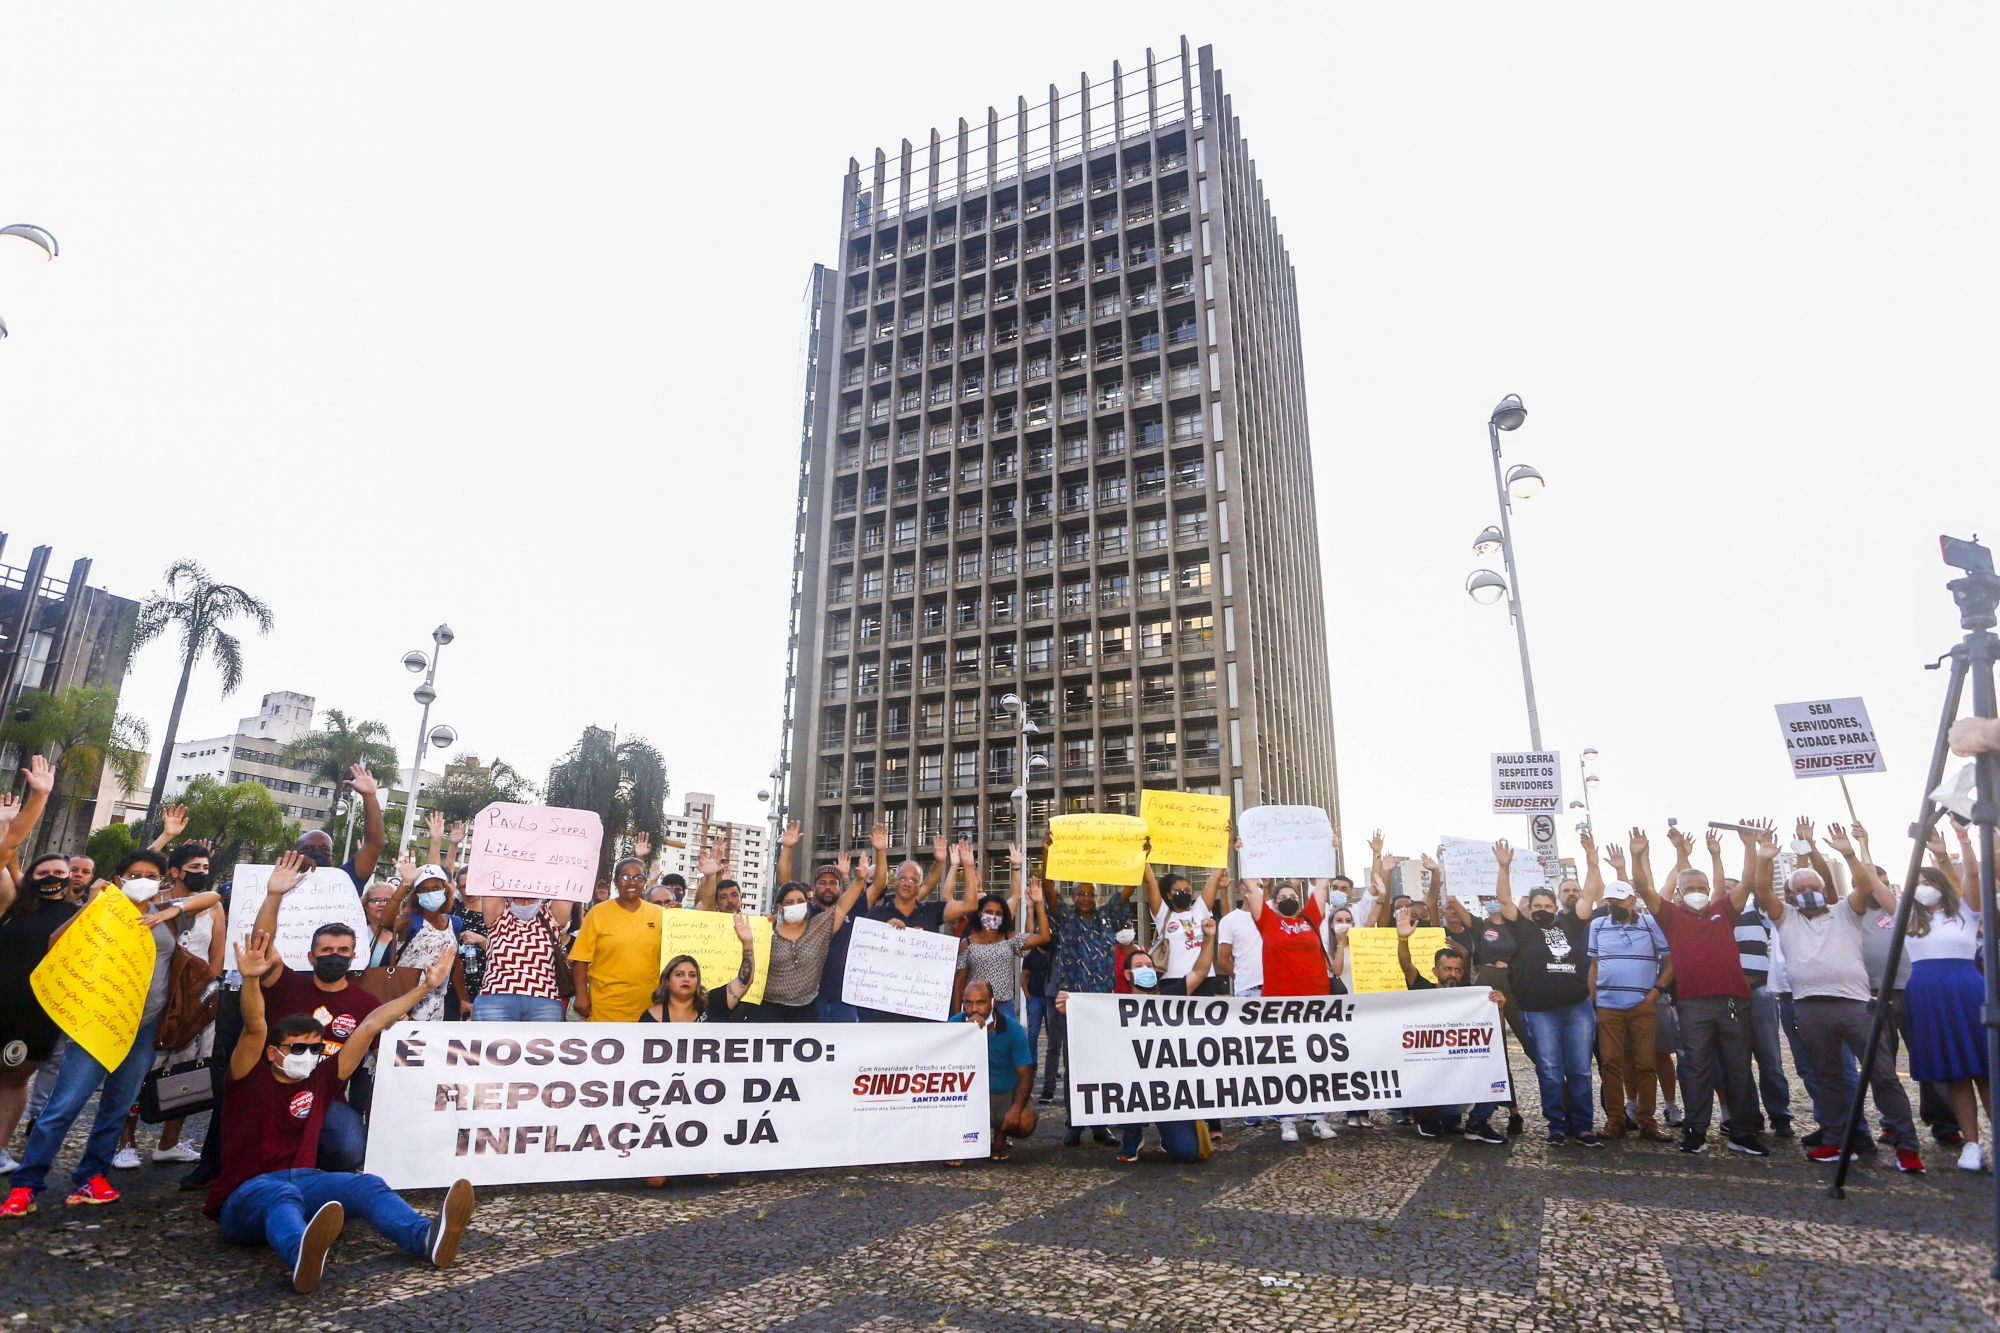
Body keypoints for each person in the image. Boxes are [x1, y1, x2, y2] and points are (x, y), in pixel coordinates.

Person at [209, 926, 471, 1293]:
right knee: (281, 1196)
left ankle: (426, 1238)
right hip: (245, 1195)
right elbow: (255, 1026)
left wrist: (426, 987)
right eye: (296, 1049)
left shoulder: (322, 1078)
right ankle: (302, 1252)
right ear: (274, 1051)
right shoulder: (248, 1078)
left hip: (305, 1180)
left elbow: (371, 1024)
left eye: (315, 1049)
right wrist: (251, 981)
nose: (307, 1057)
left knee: (367, 1185)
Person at [3, 846, 220, 1214]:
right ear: (119, 880)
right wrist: (91, 904)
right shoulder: (103, 910)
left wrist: (171, 908)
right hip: (98, 1026)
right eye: (135, 876)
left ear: (163, 881)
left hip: (146, 1029)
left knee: (117, 1107)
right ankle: (26, 1184)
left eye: (153, 877)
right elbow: (57, 943)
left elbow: (213, 897)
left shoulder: (167, 915)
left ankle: (92, 1176)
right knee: (63, 1106)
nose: (144, 882)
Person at [1756, 823, 1922, 1172]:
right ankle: (1836, 1139)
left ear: (1824, 889)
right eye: (1800, 888)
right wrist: (1764, 859)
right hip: (1810, 1007)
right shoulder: (1786, 917)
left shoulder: (1845, 911)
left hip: (1854, 1005)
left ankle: (1907, 1147)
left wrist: (1849, 853)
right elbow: (1762, 892)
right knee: (1826, 1077)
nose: (1808, 891)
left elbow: (1863, 886)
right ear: (1790, 894)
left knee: (1883, 1075)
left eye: (1813, 886)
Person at [1631, 824, 1771, 1157]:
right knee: (1695, 1068)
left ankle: (1741, 1132)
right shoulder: (1670, 914)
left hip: (1733, 1002)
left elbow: (1748, 881)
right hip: (1693, 1005)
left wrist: (1749, 847)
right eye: (1690, 886)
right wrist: (1639, 855)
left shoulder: (1724, 910)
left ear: (1710, 889)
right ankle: (1695, 1131)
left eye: (1702, 886)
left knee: (1738, 1068)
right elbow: (1642, 886)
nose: (1697, 891)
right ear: (1679, 892)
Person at [116, 840, 227, 1167]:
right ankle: (125, 1142)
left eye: (206, 868)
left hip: (194, 1003)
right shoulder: (151, 901)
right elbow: (128, 875)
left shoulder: (213, 906)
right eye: (194, 868)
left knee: (186, 1073)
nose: (201, 874)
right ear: (175, 872)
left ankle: (169, 1142)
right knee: (139, 1074)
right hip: (151, 1000)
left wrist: (202, 999)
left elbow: (216, 958)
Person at [1496, 835, 1601, 1147]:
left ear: (1556, 907)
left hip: (1577, 1006)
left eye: (1548, 905)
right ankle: (1556, 1124)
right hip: (1540, 1010)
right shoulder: (1524, 929)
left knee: (1581, 1070)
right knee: (1551, 1069)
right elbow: (1503, 901)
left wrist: (1591, 860)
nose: (1542, 909)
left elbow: (1590, 895)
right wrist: (1505, 868)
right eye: (1537, 905)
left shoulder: (1569, 925)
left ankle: (1582, 1126)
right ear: (1530, 908)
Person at [1053, 957, 1208, 1164]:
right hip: (1132, 1089)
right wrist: (1070, 1012)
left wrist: (1208, 938)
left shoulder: (1169, 997)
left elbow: (1199, 973)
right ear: (1127, 974)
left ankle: (1167, 1134)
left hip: (1170, 1093)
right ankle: (1133, 1135)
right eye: (1139, 966)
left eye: (1149, 966)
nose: (1146, 970)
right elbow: (1091, 1037)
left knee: (1185, 1153)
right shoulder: (1114, 1006)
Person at [1903, 855, 1990, 1172]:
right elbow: (1869, 881)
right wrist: (1858, 848)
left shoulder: (1966, 912)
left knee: (1986, 1071)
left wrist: (1955, 845)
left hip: (1966, 989)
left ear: (1942, 886)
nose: (1923, 889)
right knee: (1956, 1074)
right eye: (1919, 884)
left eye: (1928, 883)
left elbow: (1972, 874)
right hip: (1927, 994)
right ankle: (1972, 1144)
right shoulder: (1908, 918)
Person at [1043, 856, 1133, 1147]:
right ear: (1073, 896)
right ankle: (1075, 1123)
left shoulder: (1109, 917)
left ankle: (1100, 1125)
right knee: (1074, 1065)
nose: (1085, 898)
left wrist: (1139, 855)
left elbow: (1129, 888)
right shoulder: (1065, 918)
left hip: (1102, 1004)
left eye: (1090, 893)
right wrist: (1048, 853)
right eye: (1080, 893)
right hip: (1073, 1004)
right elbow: (1047, 888)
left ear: (1098, 896)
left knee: (1102, 1064)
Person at [1394, 918, 1509, 1143]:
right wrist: (1403, 938)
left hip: (1457, 1076)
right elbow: (1406, 964)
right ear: (1435, 970)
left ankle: (1476, 1123)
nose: (1452, 974)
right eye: (1447, 969)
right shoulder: (1422, 988)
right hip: (1428, 1079)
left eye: (1457, 970)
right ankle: (1428, 1118)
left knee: (1495, 1064)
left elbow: (1493, 1037)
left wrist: (1500, 1008)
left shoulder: (1472, 997)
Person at [1242, 875, 1338, 1143]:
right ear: (1273, 903)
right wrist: (1242, 852)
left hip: (1315, 1004)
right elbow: (1251, 885)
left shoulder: (1310, 919)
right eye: (1281, 898)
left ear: (1299, 900)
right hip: (1279, 1005)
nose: (1288, 900)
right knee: (1284, 1063)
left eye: (1292, 897)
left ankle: (1318, 1118)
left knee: (1316, 1061)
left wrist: (1326, 848)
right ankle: (1287, 1120)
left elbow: (1321, 884)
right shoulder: (1268, 921)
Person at [0, 846, 73, 1176]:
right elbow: (5, 853)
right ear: (30, 876)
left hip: (40, 1014)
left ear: (70, 879)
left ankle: (0, 1149)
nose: (52, 878)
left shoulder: (79, 913)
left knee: (15, 1078)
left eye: (59, 872)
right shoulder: (13, 903)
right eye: (44, 872)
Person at [1586, 870, 1674, 1142]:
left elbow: (1671, 961)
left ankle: (1648, 1122)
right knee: (1610, 1063)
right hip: (1608, 1006)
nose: (1614, 905)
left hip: (1642, 1005)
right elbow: (1594, 965)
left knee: (1646, 1064)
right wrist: (1592, 1002)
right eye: (1610, 901)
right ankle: (1616, 1120)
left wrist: (1656, 992)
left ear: (1632, 900)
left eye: (1619, 900)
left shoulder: (1650, 924)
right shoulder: (1597, 926)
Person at [775, 823, 885, 1023]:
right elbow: (784, 883)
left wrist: (881, 851)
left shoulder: (852, 908)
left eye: (833, 882)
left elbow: (878, 885)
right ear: (814, 888)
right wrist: (788, 848)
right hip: (810, 998)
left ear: (839, 886)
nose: (827, 887)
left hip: (845, 997)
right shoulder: (805, 913)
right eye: (822, 882)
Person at [759, 847, 870, 1020]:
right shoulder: (768, 930)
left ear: (806, 903)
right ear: (780, 907)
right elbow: (784, 881)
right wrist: (788, 847)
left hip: (806, 1010)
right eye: (790, 902)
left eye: (800, 901)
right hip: (769, 1009)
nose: (795, 905)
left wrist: (859, 879)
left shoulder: (818, 927)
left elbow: (843, 906)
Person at [570, 856, 666, 1022]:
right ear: (615, 882)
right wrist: (581, 995)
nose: (631, 882)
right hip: (605, 1007)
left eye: (638, 878)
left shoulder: (660, 914)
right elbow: (579, 959)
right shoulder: (597, 913)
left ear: (645, 882)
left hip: (649, 1007)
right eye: (625, 877)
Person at [466, 879, 574, 1023]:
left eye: (531, 897)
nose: (525, 903)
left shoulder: (550, 915)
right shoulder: (498, 914)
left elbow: (568, 877)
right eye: (520, 896)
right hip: (495, 1000)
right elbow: (492, 872)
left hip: (545, 1002)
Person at [951, 979, 1035, 1161]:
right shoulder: (953, 1026)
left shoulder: (1013, 1029)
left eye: (981, 1002)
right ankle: (958, 1144)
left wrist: (1016, 1108)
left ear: (992, 1003)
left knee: (1026, 1120)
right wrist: (966, 1036)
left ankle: (1001, 1134)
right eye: (968, 1003)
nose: (974, 1009)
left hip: (1003, 1095)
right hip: (967, 1099)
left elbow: (1026, 1074)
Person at [952, 876, 1050, 1012]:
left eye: (998, 913)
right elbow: (959, 984)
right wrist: (957, 1019)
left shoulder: (1009, 938)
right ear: (980, 914)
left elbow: (1044, 938)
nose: (994, 916)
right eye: (989, 912)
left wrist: (1038, 904)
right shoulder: (967, 943)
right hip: (976, 1006)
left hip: (1005, 1006)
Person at [638, 917, 758, 1023]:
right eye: (679, 974)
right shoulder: (650, 1019)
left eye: (692, 975)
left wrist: (747, 942)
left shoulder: (713, 1004)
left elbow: (744, 982)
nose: (686, 979)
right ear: (667, 981)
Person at [1143, 858, 1226, 996]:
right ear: (1169, 895)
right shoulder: (1164, 915)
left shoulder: (1200, 910)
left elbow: (1215, 876)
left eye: (1187, 890)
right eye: (1177, 890)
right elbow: (1150, 881)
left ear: (1192, 893)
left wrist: (1226, 843)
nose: (1182, 893)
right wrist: (1144, 858)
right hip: (1172, 979)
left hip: (1204, 978)